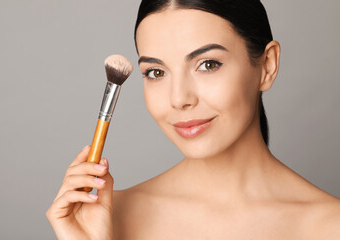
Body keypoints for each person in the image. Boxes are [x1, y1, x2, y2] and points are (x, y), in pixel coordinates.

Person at [46, 0, 340, 239]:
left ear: (267, 66)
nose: (179, 99)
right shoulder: (105, 218)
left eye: (208, 64)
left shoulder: (329, 226)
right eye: (156, 72)